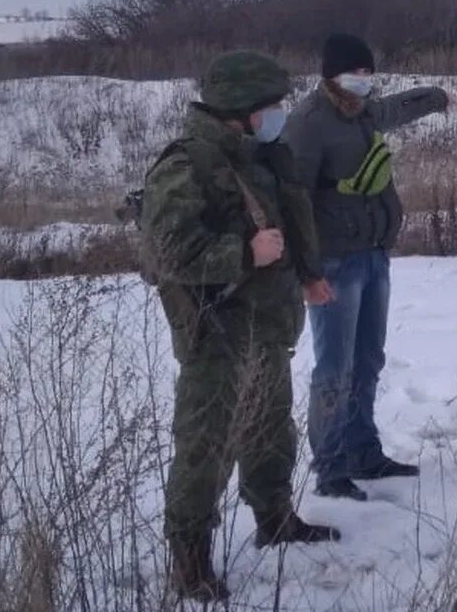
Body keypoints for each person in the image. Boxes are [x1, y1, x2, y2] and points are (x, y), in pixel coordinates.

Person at [140, 51, 339, 602]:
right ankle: (189, 559)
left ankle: (274, 518)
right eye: (271, 105)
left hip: (268, 324)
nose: (278, 114)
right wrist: (244, 253)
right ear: (241, 109)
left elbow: (287, 221)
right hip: (217, 331)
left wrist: (307, 275)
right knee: (206, 445)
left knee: (271, 429)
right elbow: (165, 252)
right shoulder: (188, 164)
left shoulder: (260, 156)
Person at [284, 33, 451, 501]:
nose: (365, 80)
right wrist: (306, 271)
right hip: (334, 263)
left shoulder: (362, 111)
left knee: (367, 361)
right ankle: (331, 467)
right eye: (357, 72)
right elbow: (292, 200)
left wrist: (437, 98)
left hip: (373, 254)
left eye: (368, 72)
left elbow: (396, 109)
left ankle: (363, 451)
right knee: (334, 368)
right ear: (333, 74)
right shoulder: (309, 123)